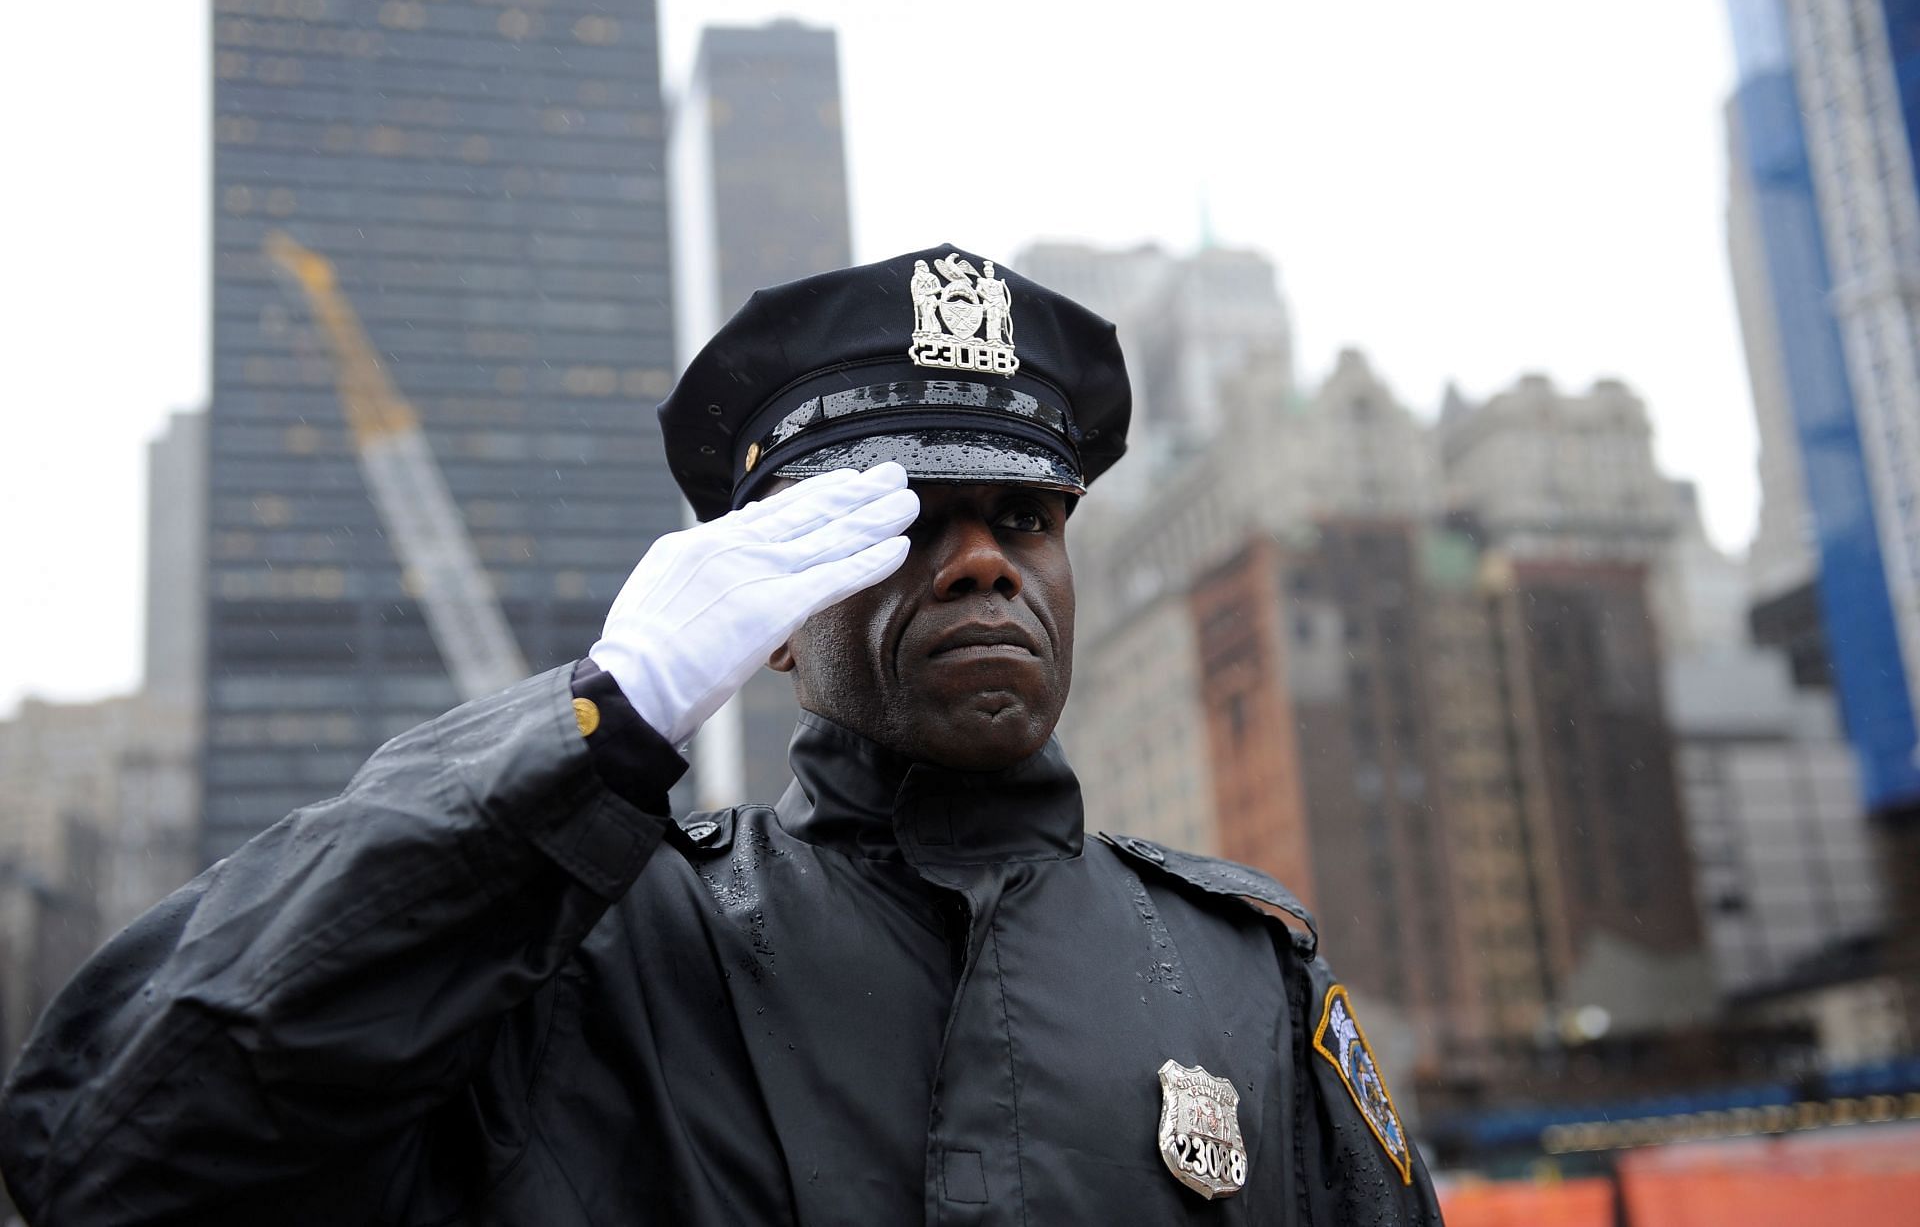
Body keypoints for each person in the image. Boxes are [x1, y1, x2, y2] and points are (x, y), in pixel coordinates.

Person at [0, 247, 1443, 1225]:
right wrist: (588, 730)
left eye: (1024, 518)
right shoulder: (590, 956)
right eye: (904, 521)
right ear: (769, 616)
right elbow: (120, 1152)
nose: (983, 562)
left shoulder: (1242, 973)